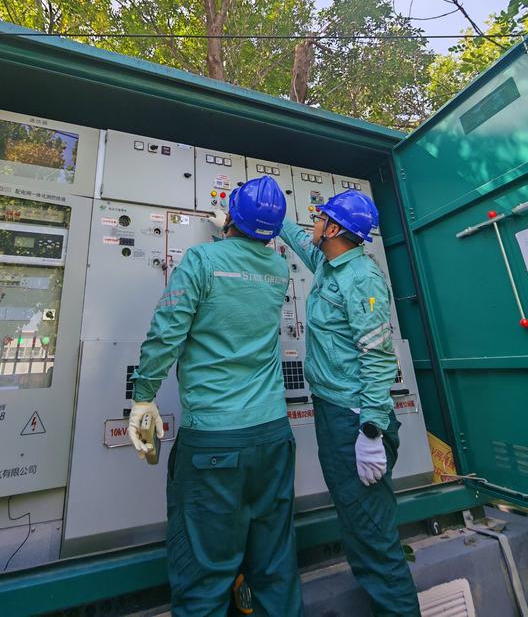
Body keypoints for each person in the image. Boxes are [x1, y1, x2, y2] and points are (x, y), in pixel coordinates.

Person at [128, 175, 302, 617]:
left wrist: (143, 395)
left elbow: (165, 335)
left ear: (231, 218)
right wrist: (237, 228)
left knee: (204, 579)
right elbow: (246, 268)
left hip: (213, 445)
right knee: (275, 569)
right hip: (272, 437)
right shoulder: (279, 269)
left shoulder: (200, 260)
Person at [280, 190, 420, 617]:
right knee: (360, 528)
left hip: (354, 420)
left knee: (373, 539)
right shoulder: (330, 262)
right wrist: (265, 212)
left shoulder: (362, 279)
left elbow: (378, 357)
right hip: (333, 412)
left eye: (319, 217)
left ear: (334, 228)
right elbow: (301, 242)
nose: (314, 222)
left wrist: (371, 432)